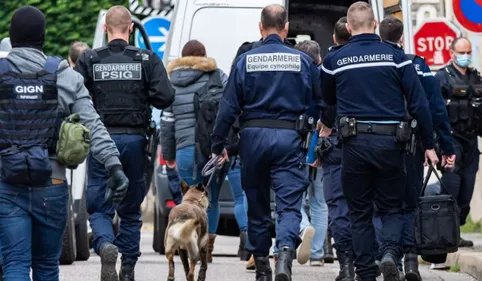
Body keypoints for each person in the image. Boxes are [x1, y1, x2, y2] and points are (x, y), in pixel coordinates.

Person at [0, 5, 129, 281]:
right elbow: (93, 123)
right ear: (42, 38)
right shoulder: (62, 74)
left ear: (11, 37)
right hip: (53, 183)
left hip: (6, 183)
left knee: (14, 263)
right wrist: (114, 165)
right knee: (47, 266)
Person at [318, 2, 439, 281]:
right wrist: (429, 144)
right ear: (374, 24)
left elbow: (327, 102)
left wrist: (325, 122)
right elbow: (419, 104)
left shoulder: (335, 60)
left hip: (354, 145)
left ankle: (365, 272)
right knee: (392, 207)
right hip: (391, 145)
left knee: (359, 212)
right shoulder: (397, 57)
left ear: (348, 28)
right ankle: (389, 253)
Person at [211, 4, 322, 281]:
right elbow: (321, 103)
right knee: (288, 204)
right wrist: (309, 128)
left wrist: (218, 144)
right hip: (289, 138)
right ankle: (284, 252)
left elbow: (227, 108)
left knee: (257, 202)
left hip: (253, 139)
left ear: (260, 28)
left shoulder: (245, 60)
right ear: (286, 29)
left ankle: (261, 266)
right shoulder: (303, 61)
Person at [74, 5, 174, 281]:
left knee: (98, 205)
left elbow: (75, 99)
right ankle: (128, 267)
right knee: (130, 209)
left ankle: (105, 244)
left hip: (100, 141)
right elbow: (165, 97)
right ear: (131, 28)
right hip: (134, 140)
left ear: (105, 28)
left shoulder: (89, 59)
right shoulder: (146, 58)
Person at [377, 15, 456, 281]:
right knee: (409, 204)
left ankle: (390, 256)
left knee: (385, 205)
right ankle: (410, 262)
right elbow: (435, 109)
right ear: (402, 38)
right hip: (411, 144)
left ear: (378, 35)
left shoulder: (374, 64)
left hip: (378, 144)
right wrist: (441, 145)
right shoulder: (417, 65)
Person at [159, 39, 250, 263]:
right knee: (214, 198)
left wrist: (169, 155)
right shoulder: (218, 76)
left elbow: (167, 122)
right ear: (204, 55)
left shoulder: (171, 82)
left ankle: (191, 244)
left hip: (185, 149)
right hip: (216, 149)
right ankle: (211, 247)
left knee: (191, 199)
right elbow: (234, 107)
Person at [434, 36, 482, 250]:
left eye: (468, 52)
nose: (465, 56)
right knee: (452, 186)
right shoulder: (442, 77)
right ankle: (450, 234)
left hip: (471, 140)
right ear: (451, 52)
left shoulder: (476, 77)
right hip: (450, 139)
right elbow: (435, 111)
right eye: (461, 52)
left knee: (467, 188)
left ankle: (459, 226)